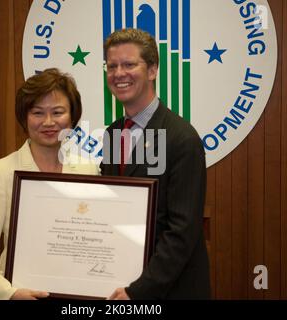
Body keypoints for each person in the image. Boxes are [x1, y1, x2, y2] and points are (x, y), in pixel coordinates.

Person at [0, 68, 99, 300]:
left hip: (78, 297)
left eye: (58, 112)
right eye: (38, 113)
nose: (48, 122)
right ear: (25, 118)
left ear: (72, 118)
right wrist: (9, 293)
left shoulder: (89, 170)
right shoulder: (2, 171)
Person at [100, 29, 210, 299]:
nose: (118, 73)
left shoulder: (182, 138)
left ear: (152, 70)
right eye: (112, 66)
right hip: (125, 284)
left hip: (170, 290)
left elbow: (182, 232)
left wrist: (139, 291)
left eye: (129, 64)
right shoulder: (113, 134)